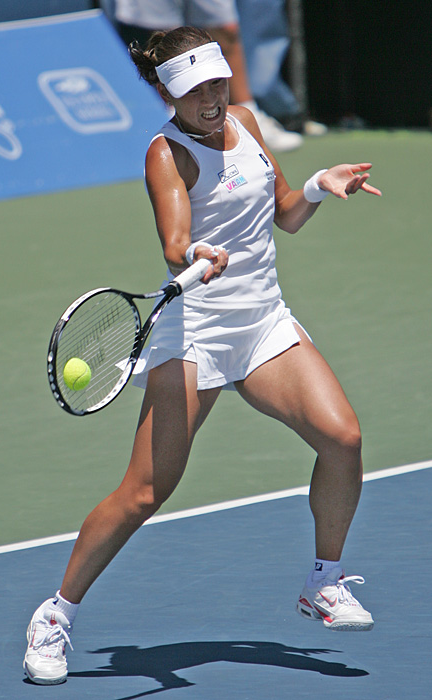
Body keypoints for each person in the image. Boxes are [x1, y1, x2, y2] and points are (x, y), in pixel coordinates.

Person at [23, 26, 382, 685]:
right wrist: (196, 254)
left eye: (218, 83)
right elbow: (175, 242)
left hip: (264, 321)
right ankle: (55, 615)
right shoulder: (167, 154)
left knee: (343, 438)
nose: (212, 100)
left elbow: (284, 213)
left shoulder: (246, 119)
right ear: (169, 95)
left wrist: (318, 186)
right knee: (145, 491)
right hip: (196, 332)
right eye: (195, 92)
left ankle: (323, 583)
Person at [101, 0, 303, 152]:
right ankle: (178, 122)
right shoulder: (160, 157)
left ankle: (249, 109)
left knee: (226, 28)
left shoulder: (244, 118)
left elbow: (283, 194)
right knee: (167, 35)